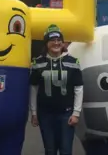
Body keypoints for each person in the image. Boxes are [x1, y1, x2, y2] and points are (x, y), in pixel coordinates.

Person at [30, 25, 84, 155]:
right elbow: (33, 88)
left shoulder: (73, 62)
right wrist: (34, 112)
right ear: (46, 43)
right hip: (45, 114)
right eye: (52, 40)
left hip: (66, 113)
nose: (56, 43)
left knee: (66, 150)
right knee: (50, 150)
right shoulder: (38, 63)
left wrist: (76, 112)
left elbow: (78, 88)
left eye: (59, 39)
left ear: (63, 42)